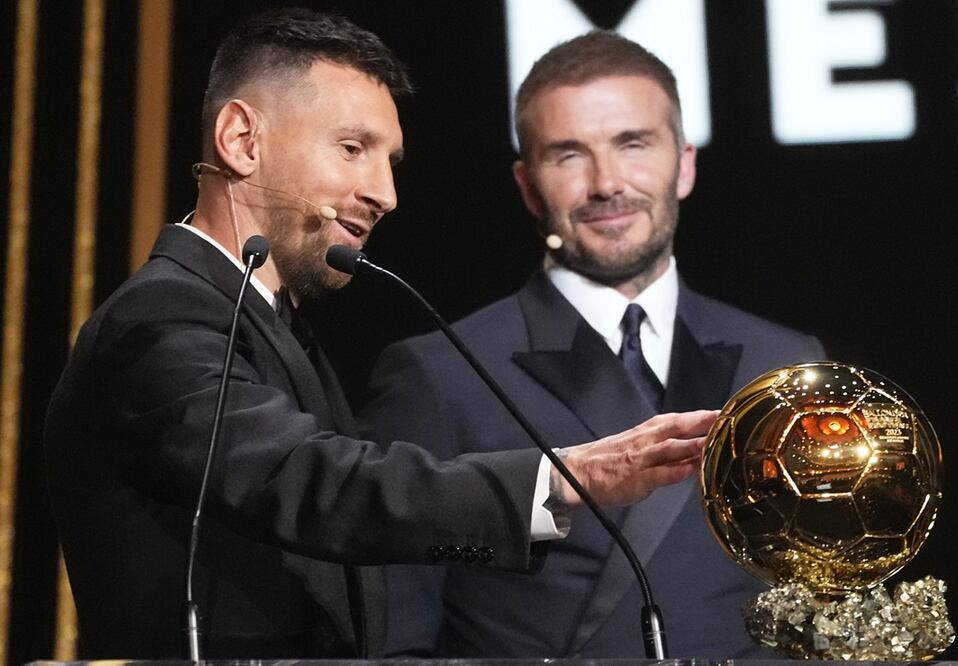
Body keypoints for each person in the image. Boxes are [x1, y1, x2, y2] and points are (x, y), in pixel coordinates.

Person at [43, 10, 719, 660]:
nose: (385, 192)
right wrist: (560, 480)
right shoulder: (161, 317)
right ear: (241, 141)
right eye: (352, 148)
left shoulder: (274, 322)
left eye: (389, 160)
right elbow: (301, 478)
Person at [357, 31, 827, 658]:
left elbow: (825, 609)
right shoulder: (441, 375)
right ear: (528, 187)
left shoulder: (787, 364)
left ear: (684, 163)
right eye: (569, 155)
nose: (607, 183)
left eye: (633, 144)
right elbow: (394, 639)